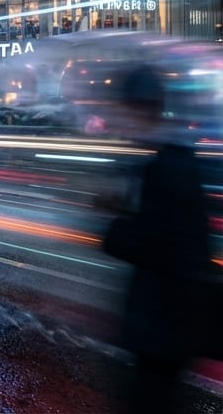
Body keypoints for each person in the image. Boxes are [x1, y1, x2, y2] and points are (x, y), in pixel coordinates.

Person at [99, 64, 212, 412]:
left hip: (161, 325)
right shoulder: (179, 160)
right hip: (172, 324)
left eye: (128, 109)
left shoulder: (164, 167)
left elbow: (150, 243)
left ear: (144, 108)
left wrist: (114, 217)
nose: (124, 120)